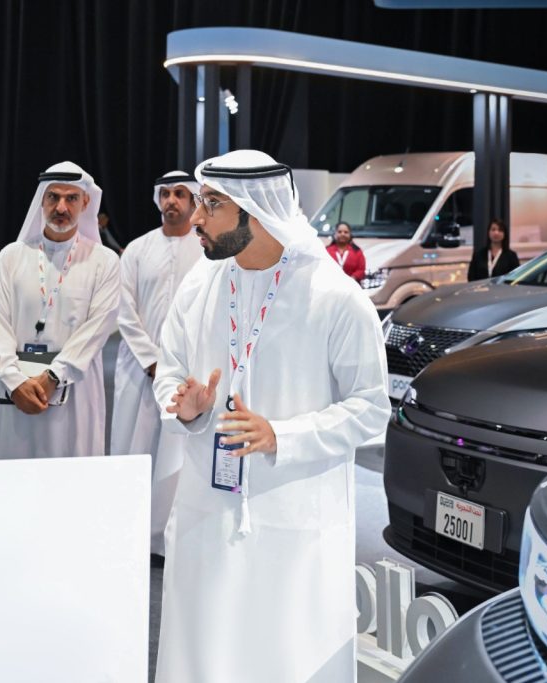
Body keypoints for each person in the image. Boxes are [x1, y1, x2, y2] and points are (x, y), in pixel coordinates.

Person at [153, 150, 390, 683]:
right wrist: (184, 408)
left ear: (254, 211)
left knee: (285, 654)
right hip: (206, 511)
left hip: (295, 520)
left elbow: (372, 408)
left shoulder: (335, 298)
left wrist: (281, 435)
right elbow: (169, 374)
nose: (196, 218)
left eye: (211, 205)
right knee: (205, 650)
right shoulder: (198, 287)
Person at [0, 161, 119, 459]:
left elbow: (97, 329)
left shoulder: (104, 261)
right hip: (16, 391)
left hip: (75, 396)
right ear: (41, 201)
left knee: (69, 476)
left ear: (85, 203)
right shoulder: (11, 256)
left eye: (71, 198)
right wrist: (14, 381)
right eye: (53, 197)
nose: (61, 207)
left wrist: (55, 376)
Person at [110, 170, 202, 557]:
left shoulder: (207, 251)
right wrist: (151, 360)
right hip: (137, 368)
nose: (171, 201)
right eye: (165, 193)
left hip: (186, 372)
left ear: (193, 201)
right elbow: (124, 309)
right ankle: (125, 535)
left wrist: (172, 366)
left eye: (180, 194)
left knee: (176, 456)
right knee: (133, 446)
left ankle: (163, 541)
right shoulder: (137, 249)